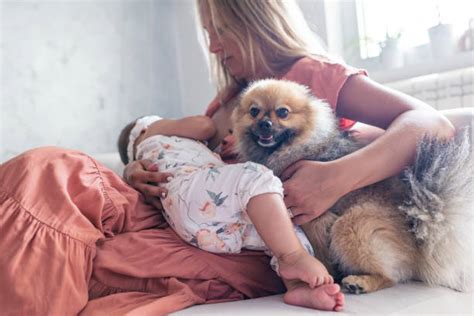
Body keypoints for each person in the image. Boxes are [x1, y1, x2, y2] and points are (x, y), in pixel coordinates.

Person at [1, 0, 471, 314]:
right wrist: (134, 168)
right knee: (47, 170)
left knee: (102, 259)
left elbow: (432, 125)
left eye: (220, 30)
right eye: (207, 32)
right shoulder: (227, 101)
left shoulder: (311, 76)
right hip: (173, 215)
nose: (213, 45)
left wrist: (336, 177)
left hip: (243, 242)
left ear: (256, 21)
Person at [117, 114, 344, 311]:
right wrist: (158, 125)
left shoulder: (167, 151)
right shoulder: (154, 135)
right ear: (143, 129)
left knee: (281, 222)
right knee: (255, 177)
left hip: (210, 224)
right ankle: (293, 257)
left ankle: (297, 286)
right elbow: (204, 126)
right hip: (190, 188)